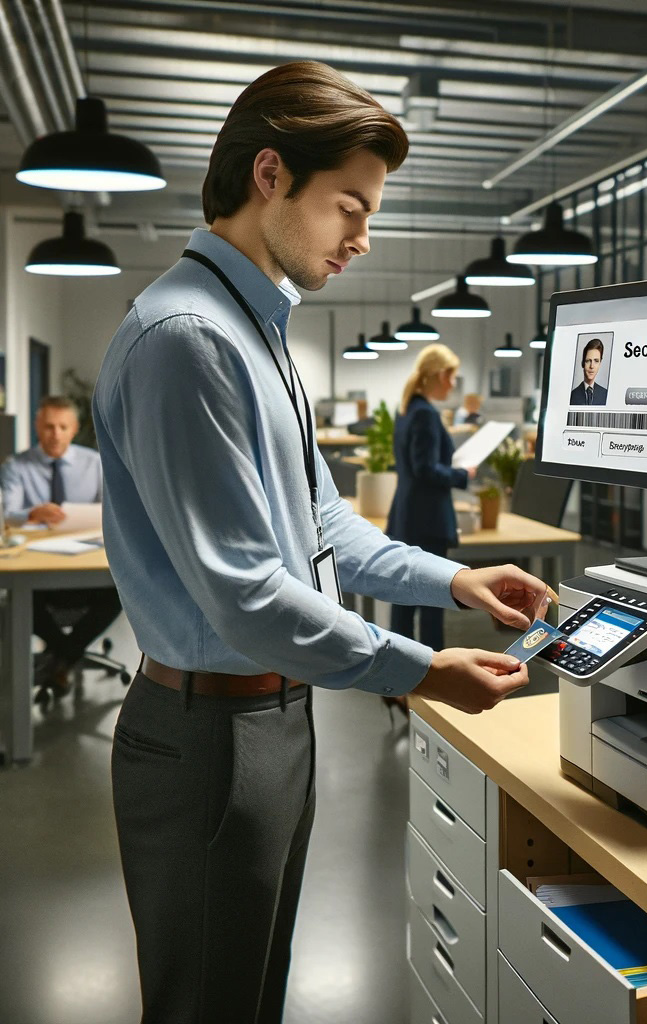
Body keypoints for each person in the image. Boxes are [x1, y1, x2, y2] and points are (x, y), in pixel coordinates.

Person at [91, 61, 547, 1024]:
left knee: (248, 996)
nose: (362, 237)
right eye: (349, 205)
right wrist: (422, 671)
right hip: (209, 734)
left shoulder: (257, 330)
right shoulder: (188, 338)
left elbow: (324, 523)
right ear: (270, 176)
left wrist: (458, 581)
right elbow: (250, 597)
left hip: (273, 718)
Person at [0, 395, 122, 699]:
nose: (55, 434)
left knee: (118, 589)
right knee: (20, 599)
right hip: (36, 565)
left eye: (62, 427)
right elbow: (6, 514)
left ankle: (62, 656)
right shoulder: (17, 466)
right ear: (37, 428)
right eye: (48, 427)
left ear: (73, 429)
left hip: (85, 555)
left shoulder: (95, 463)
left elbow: (113, 510)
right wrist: (30, 514)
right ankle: (68, 657)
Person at [387, 344, 477, 651]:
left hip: (407, 514)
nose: (453, 384)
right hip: (427, 518)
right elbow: (424, 469)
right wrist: (463, 475)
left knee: (404, 597)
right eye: (451, 377)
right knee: (433, 598)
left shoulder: (407, 409)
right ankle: (436, 668)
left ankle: (401, 668)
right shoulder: (425, 414)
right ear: (439, 375)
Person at [569, 338, 608, 406]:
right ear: (583, 363)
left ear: (600, 363)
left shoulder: (605, 394)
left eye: (596, 361)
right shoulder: (572, 395)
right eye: (588, 361)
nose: (592, 366)